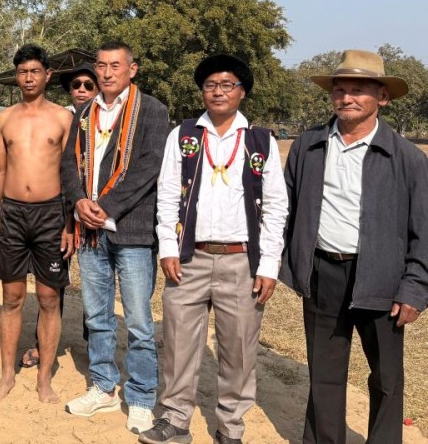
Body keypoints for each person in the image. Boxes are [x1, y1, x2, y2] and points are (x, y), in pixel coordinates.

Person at [280, 50, 428, 444]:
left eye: (358, 90)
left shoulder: (408, 159)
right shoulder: (309, 145)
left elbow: (424, 231)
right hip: (322, 273)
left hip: (382, 279)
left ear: (383, 96)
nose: (346, 98)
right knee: (324, 375)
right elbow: (285, 208)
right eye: (339, 90)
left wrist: (415, 288)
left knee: (387, 378)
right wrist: (287, 262)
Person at [142, 54, 288, 444]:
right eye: (210, 85)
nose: (218, 91)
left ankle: (230, 428)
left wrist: (269, 265)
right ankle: (175, 420)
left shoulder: (260, 141)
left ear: (242, 92)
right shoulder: (184, 135)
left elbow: (276, 206)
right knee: (178, 343)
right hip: (188, 258)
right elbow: (167, 195)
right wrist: (168, 247)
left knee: (238, 350)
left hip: (241, 261)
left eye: (227, 85)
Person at [62, 42, 169, 434]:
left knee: (139, 319)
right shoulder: (84, 112)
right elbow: (68, 162)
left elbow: (149, 167)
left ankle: (140, 396)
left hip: (132, 228)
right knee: (97, 315)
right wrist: (78, 200)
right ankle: (104, 386)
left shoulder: (152, 110)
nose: (107, 73)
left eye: (115, 65)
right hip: (90, 230)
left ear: (132, 69)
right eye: (101, 66)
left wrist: (105, 206)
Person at [0, 44, 74, 403]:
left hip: (50, 214)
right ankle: (7, 374)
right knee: (11, 296)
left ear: (47, 75)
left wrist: (69, 224)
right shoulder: (4, 119)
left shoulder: (63, 118)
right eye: (22, 72)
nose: (28, 78)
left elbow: (70, 175)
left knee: (49, 298)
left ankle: (44, 379)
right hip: (12, 213)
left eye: (35, 71)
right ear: (16, 75)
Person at [19, 61, 99, 370]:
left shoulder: (106, 123)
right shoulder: (59, 119)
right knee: (52, 283)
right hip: (59, 212)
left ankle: (96, 344)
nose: (81, 90)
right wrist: (67, 219)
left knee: (94, 282)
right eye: (76, 85)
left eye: (88, 85)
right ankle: (42, 344)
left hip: (95, 214)